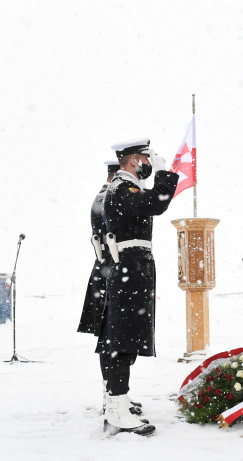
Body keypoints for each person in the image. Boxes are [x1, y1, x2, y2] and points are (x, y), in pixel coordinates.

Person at [98, 138, 179, 436]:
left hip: (134, 267)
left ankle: (116, 402)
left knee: (126, 337)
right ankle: (117, 407)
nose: (149, 163)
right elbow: (156, 204)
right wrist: (163, 173)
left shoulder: (124, 187)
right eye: (146, 159)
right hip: (131, 268)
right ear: (135, 160)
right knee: (124, 339)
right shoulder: (123, 188)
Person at [77, 160, 144, 419]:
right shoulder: (112, 196)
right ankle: (114, 397)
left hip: (105, 269)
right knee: (114, 340)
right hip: (114, 270)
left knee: (109, 340)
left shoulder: (102, 195)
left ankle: (113, 395)